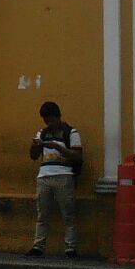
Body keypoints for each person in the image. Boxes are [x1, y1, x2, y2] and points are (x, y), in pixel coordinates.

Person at [27, 100, 82, 259]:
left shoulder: (71, 133)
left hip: (64, 176)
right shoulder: (41, 133)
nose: (48, 123)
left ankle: (70, 248)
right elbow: (33, 156)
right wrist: (36, 145)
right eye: (46, 120)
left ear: (58, 117)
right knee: (42, 214)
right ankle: (38, 246)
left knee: (68, 214)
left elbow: (78, 156)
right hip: (44, 176)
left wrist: (58, 147)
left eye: (51, 120)